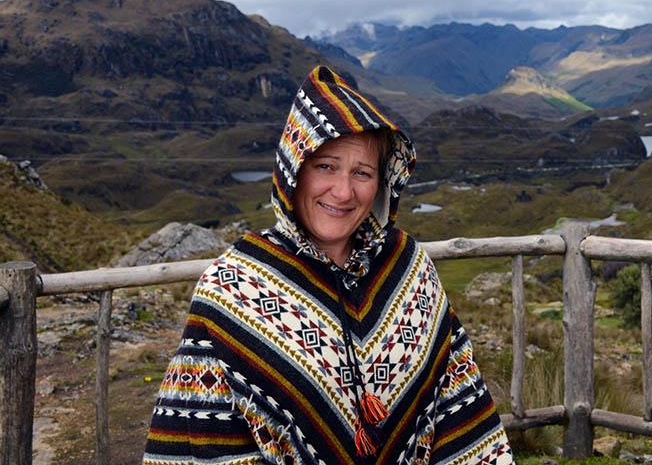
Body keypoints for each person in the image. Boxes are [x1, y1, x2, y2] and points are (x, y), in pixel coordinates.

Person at [143, 66, 515, 464]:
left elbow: (456, 400)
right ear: (293, 170)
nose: (343, 191)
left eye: (362, 173)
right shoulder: (233, 287)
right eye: (326, 166)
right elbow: (206, 435)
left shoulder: (409, 267)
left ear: (381, 183)